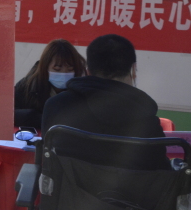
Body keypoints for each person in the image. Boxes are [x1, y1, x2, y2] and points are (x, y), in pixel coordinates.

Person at [42, 34, 171, 171]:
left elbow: (48, 159)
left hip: (67, 185)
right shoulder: (146, 118)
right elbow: (159, 172)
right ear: (133, 69)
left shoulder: (56, 105)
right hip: (130, 186)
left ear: (88, 71)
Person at [14, 39, 86, 130]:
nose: (64, 73)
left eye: (70, 69)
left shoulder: (83, 90)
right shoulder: (28, 86)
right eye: (57, 68)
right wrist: (35, 118)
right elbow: (5, 112)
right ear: (45, 67)